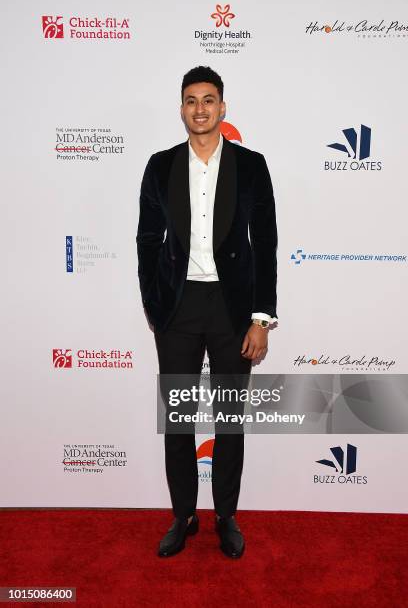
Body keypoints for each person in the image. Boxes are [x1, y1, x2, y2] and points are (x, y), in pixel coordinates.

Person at [136, 65, 278, 558]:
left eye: (209, 99)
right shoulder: (160, 166)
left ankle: (225, 517)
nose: (200, 108)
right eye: (191, 100)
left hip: (232, 308)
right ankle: (183, 516)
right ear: (181, 108)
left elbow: (266, 244)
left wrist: (261, 318)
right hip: (177, 308)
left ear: (223, 107)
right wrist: (156, 303)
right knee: (178, 419)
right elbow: (147, 241)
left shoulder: (252, 165)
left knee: (229, 419)